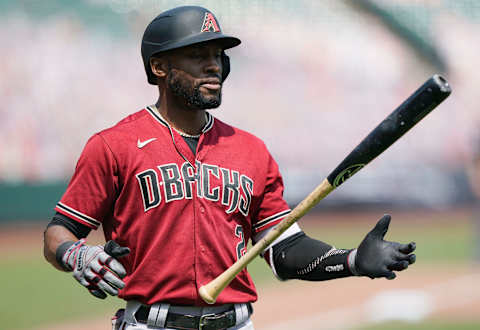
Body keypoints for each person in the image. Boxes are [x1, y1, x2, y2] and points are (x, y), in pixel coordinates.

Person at [43, 6, 416, 330]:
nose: (213, 65)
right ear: (159, 67)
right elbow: (59, 232)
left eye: (218, 55)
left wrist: (350, 260)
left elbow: (283, 251)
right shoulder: (113, 145)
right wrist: (77, 254)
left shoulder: (251, 150)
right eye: (197, 54)